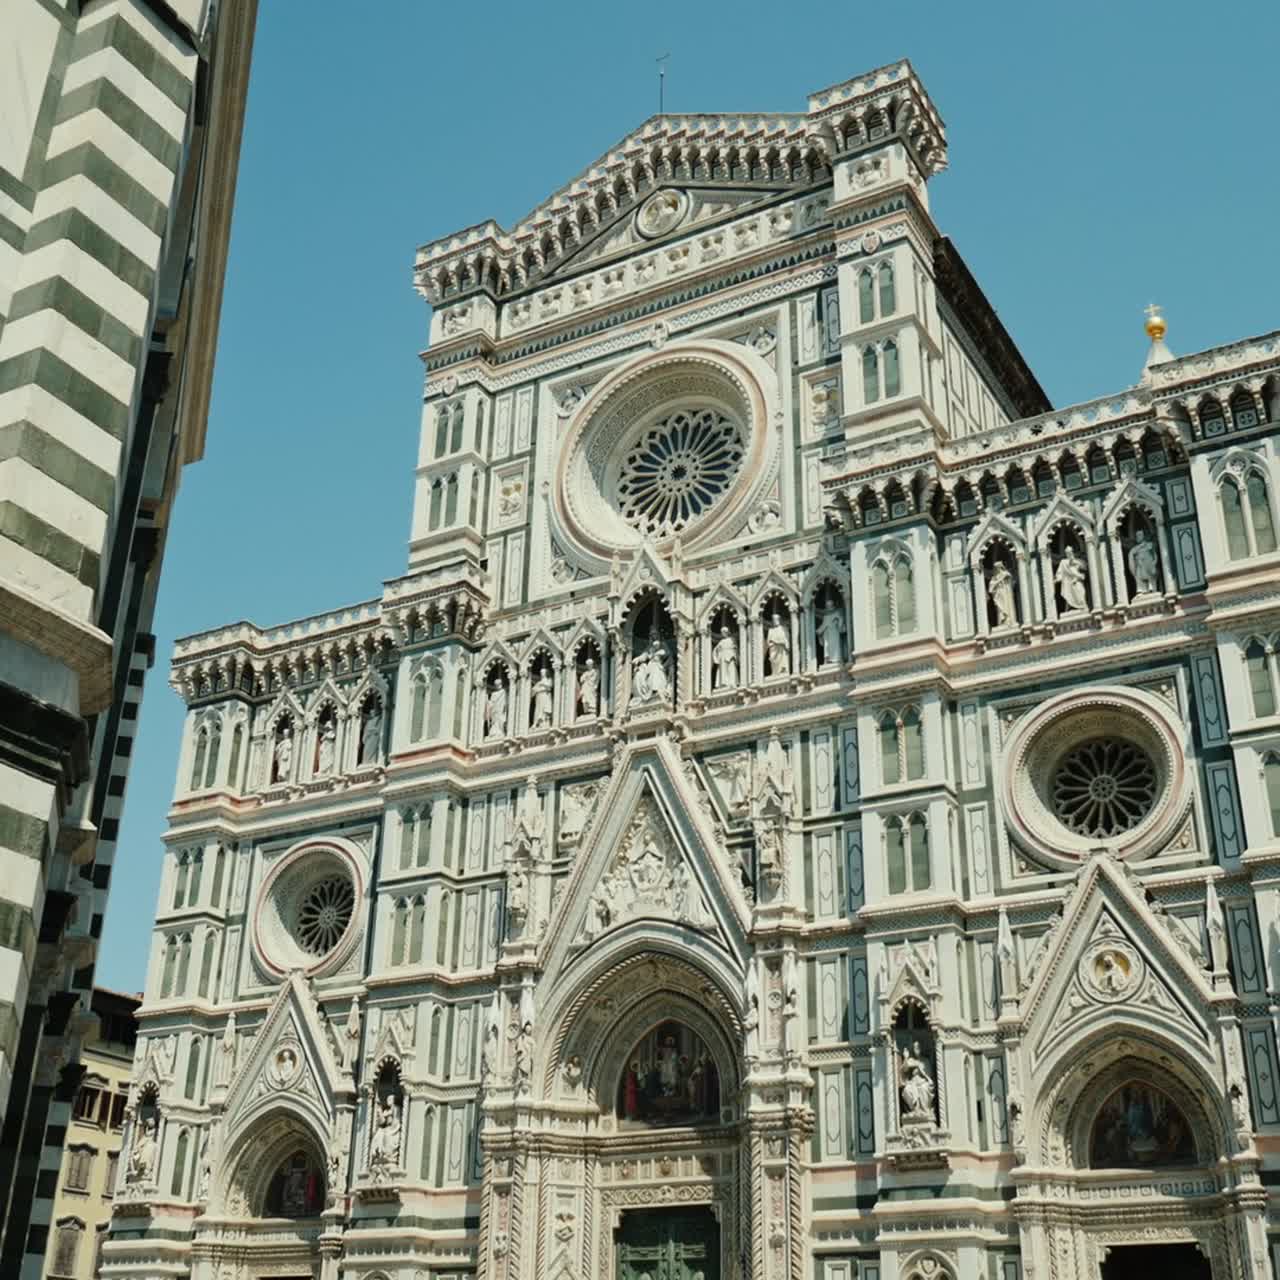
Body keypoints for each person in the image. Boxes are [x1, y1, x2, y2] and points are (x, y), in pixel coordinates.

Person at [1055, 544, 1089, 612]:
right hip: (1068, 582)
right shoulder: (1063, 562)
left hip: (1077, 581)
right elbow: (1060, 572)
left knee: (1080, 594)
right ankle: (1068, 610)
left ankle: (1083, 606)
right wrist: (1058, 578)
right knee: (1068, 596)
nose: (1069, 554)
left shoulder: (1077, 560)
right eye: (1067, 553)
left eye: (1070, 552)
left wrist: (1075, 562)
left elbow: (1085, 566)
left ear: (1072, 552)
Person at [1128, 528, 1160, 595]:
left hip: (1148, 564)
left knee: (1149, 575)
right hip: (1139, 565)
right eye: (1137, 536)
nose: (1138, 537)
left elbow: (1154, 555)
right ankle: (1141, 590)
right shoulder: (1135, 548)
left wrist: (1154, 562)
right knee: (1139, 575)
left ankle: (1151, 588)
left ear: (1144, 536)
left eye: (1139, 535)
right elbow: (1132, 554)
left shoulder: (1149, 545)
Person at [987, 561, 1017, 627]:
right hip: (998, 594)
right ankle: (1002, 622)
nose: (996, 570)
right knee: (1000, 609)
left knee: (1007, 606)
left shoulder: (1006, 574)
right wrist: (999, 580)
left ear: (1000, 567)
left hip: (1006, 593)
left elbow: (1012, 582)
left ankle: (1009, 620)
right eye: (995, 569)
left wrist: (1004, 578)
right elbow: (990, 589)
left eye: (997, 568)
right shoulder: (994, 578)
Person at [765, 611, 790, 676]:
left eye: (776, 620)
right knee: (772, 659)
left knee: (782, 660)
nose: (775, 621)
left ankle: (782, 671)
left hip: (781, 648)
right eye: (773, 620)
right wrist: (772, 643)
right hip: (773, 648)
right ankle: (774, 672)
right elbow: (768, 641)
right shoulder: (771, 630)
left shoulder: (783, 628)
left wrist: (780, 642)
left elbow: (786, 639)